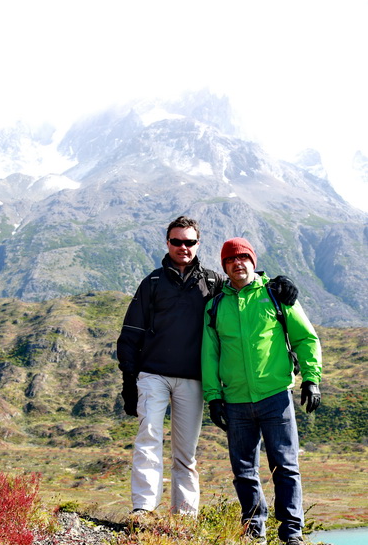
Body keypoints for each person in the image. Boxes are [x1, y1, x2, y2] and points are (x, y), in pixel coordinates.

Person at [117, 217, 299, 517]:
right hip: (153, 374)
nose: (183, 247)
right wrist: (128, 380)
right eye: (177, 241)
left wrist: (276, 283)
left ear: (198, 244)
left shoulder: (213, 282)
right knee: (148, 438)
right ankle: (143, 510)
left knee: (185, 452)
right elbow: (130, 333)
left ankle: (184, 518)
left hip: (194, 379)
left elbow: (243, 286)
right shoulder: (151, 283)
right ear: (168, 243)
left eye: (189, 242)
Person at [201, 237, 321, 545]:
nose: (237, 263)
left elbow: (305, 337)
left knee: (285, 466)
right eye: (230, 260)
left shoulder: (276, 295)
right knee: (243, 470)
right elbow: (210, 355)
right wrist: (213, 398)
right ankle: (254, 533)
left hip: (275, 397)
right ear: (224, 267)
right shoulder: (215, 307)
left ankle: (292, 536)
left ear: (253, 262)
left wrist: (311, 378)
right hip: (236, 401)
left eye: (243, 258)